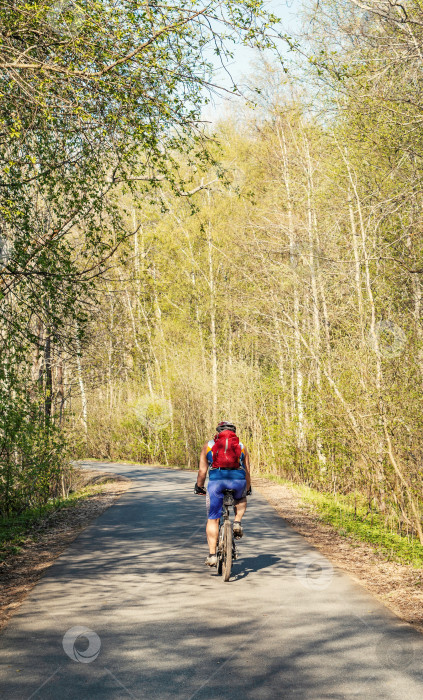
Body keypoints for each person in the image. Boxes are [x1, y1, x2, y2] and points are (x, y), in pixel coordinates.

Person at [194, 421, 251, 566]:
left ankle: (212, 555)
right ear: (234, 432)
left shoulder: (209, 445)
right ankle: (237, 522)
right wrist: (248, 488)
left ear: (218, 432)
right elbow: (247, 471)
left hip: (216, 483)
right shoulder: (242, 446)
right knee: (241, 498)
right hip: (237, 481)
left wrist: (199, 486)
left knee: (213, 518)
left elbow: (202, 471)